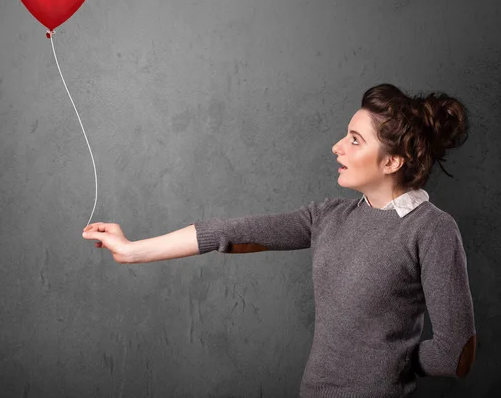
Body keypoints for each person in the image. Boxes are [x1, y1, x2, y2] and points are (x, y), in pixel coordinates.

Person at [82, 83, 477, 397]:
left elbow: (455, 353)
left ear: (392, 161)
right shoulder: (328, 216)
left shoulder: (432, 229)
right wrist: (132, 251)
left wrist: (390, 364)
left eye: (355, 140)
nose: (337, 146)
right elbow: (228, 233)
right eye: (345, 135)